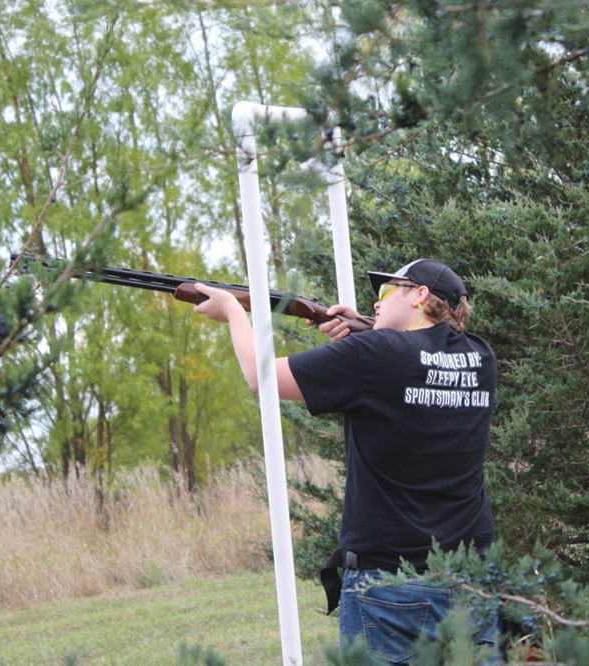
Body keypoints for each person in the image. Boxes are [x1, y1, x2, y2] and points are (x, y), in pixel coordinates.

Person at [192, 258, 498, 664]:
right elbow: (420, 357)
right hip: (473, 578)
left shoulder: (373, 354)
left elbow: (259, 375)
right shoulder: (482, 358)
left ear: (419, 295)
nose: (377, 303)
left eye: (386, 291)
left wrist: (233, 311)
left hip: (389, 584)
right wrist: (361, 329)